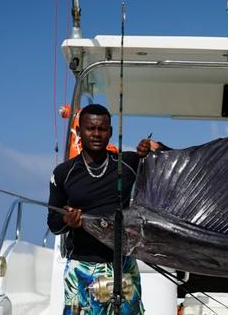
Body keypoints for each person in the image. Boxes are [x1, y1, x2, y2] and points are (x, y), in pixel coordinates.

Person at [47, 104, 165, 314]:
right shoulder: (63, 173)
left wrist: (156, 147)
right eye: (90, 128)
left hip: (123, 265)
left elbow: (171, 163)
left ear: (110, 132)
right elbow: (53, 224)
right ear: (80, 131)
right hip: (81, 266)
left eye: (102, 129)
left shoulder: (129, 163)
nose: (96, 134)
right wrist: (67, 221)